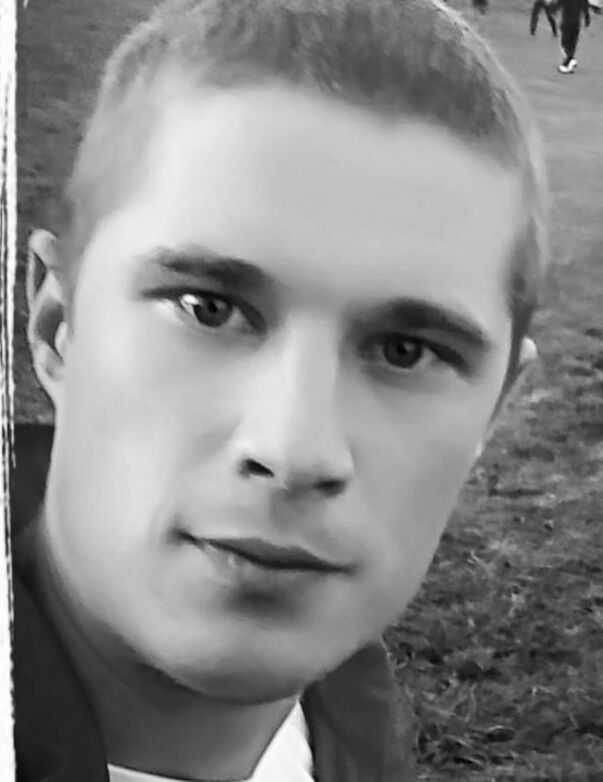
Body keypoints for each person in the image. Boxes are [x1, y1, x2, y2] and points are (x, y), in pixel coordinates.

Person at [11, 0, 549, 780]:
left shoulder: (351, 724)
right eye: (208, 309)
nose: (296, 449)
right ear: (59, 327)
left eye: (405, 352)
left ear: (492, 410)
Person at [556, 0, 591, 73]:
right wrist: (587, 21)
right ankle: (569, 63)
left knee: (564, 45)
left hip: (566, 23)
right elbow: (586, 9)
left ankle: (569, 61)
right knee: (572, 44)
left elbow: (556, 6)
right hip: (576, 24)